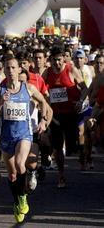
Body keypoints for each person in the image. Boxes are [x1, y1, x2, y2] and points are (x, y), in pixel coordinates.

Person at [0, 56, 49, 224]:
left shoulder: (28, 88)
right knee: (12, 173)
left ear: (19, 70)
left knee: (20, 164)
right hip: (7, 135)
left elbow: (43, 101)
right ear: (3, 70)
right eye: (7, 68)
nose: (10, 71)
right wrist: (1, 103)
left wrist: (43, 120)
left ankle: (22, 197)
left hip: (24, 134)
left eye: (13, 68)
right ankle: (17, 201)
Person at [42, 46, 87, 188]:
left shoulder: (70, 70)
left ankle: (81, 155)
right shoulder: (47, 72)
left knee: (72, 146)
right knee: (57, 146)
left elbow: (85, 88)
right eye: (54, 60)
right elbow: (41, 91)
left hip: (71, 114)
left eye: (60, 60)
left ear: (64, 59)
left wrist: (80, 102)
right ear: (50, 60)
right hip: (55, 115)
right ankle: (61, 176)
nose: (57, 63)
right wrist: (45, 102)